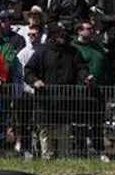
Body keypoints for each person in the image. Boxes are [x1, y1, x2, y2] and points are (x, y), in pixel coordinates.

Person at [24, 22, 90, 158]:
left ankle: (64, 158)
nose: (62, 36)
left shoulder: (73, 52)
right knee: (45, 132)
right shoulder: (41, 51)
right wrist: (35, 81)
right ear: (52, 35)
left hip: (65, 101)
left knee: (64, 131)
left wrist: (86, 78)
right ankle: (47, 158)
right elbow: (29, 71)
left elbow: (81, 68)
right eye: (59, 34)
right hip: (44, 101)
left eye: (64, 34)